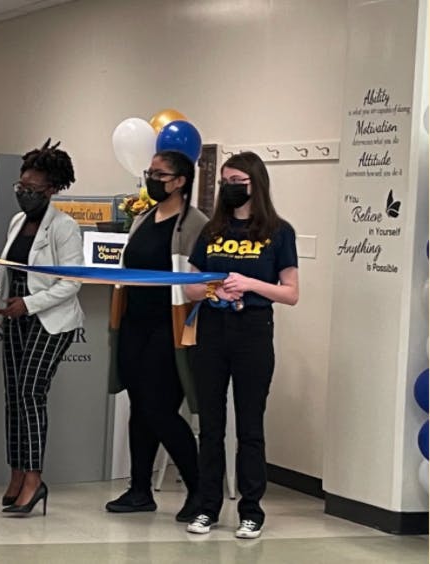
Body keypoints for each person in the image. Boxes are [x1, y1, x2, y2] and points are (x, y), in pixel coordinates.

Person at [183, 151, 299, 539]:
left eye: (238, 182)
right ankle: (207, 507)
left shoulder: (279, 232)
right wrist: (211, 287)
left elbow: (290, 293)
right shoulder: (211, 231)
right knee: (210, 425)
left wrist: (248, 284)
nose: (230, 189)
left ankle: (251, 510)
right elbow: (190, 287)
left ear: (256, 185)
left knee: (250, 425)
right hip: (212, 330)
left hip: (253, 330)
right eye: (226, 183)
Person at [105, 150, 206, 522]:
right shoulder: (143, 218)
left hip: (170, 328)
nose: (151, 179)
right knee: (139, 409)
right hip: (134, 324)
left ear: (180, 181)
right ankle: (139, 489)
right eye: (150, 172)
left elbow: (198, 277)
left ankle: (198, 488)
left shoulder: (195, 224)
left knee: (160, 409)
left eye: (159, 174)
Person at [0, 139, 84, 517]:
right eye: (20, 188)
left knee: (30, 393)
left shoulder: (64, 227)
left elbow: (70, 283)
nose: (24, 194)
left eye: (32, 189)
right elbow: (7, 271)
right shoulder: (16, 222)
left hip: (50, 320)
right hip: (15, 315)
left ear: (53, 189)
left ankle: (34, 478)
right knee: (14, 395)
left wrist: (27, 304)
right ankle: (16, 472)